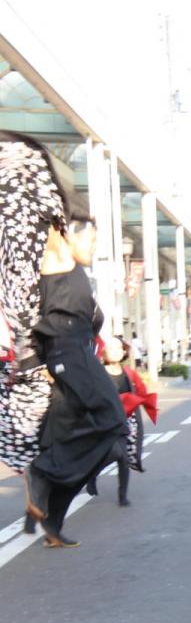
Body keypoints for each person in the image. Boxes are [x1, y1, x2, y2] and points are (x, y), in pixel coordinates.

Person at [9, 149, 128, 548]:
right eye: (90, 236)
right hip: (67, 354)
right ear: (65, 233)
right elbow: (37, 212)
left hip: (74, 355)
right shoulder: (55, 254)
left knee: (111, 444)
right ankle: (42, 473)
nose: (94, 243)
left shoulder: (78, 275)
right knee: (112, 418)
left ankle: (51, 520)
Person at [86, 339, 158, 507]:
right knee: (109, 453)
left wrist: (142, 400)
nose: (115, 351)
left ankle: (122, 495)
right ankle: (92, 474)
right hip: (107, 421)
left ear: (124, 351)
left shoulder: (129, 372)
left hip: (128, 420)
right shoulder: (98, 372)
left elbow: (141, 391)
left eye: (118, 347)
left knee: (124, 457)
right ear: (103, 351)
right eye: (110, 348)